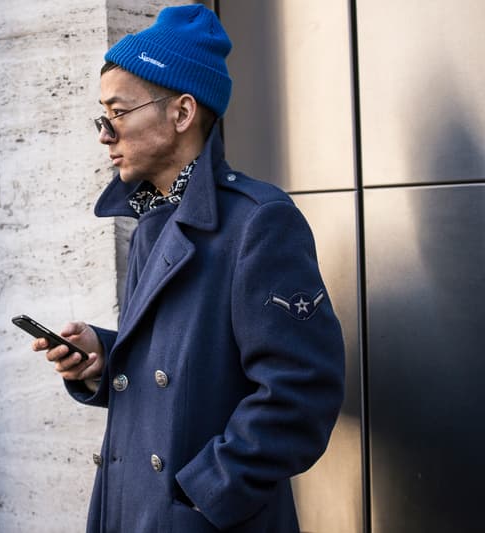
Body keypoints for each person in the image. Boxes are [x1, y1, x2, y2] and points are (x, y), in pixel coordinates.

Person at [31, 5, 345, 532]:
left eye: (118, 112)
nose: (104, 133)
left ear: (181, 113)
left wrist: (202, 495)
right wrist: (102, 358)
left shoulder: (259, 223)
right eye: (100, 116)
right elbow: (182, 370)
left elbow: (301, 393)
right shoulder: (154, 220)